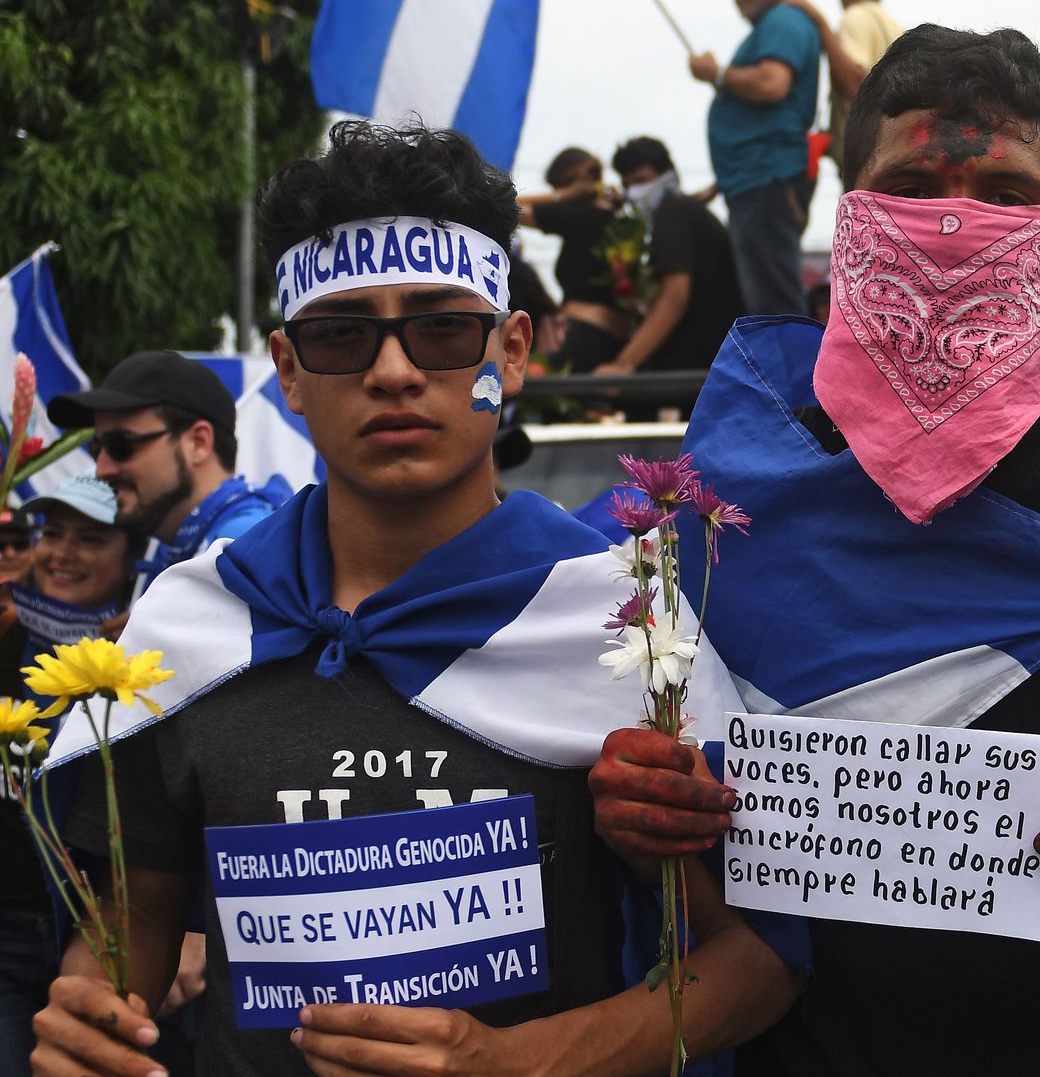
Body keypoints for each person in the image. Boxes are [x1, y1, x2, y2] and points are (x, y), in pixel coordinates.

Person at [29, 121, 803, 1077]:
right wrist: (90, 1022)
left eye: (443, 328)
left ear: (512, 352)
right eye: (342, 335)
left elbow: (760, 957)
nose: (394, 371)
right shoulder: (191, 624)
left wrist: (513, 1062)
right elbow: (129, 930)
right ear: (290, 372)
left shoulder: (625, 621)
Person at [589, 25, 1040, 1075]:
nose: (955, 224)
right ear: (847, 215)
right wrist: (639, 803)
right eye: (914, 184)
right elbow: (652, 764)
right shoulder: (714, 478)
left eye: (1005, 195)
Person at [0, 473, 137, 1077]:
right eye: (52, 533)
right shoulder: (7, 636)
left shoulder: (150, 660)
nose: (62, 552)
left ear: (131, 556)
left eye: (90, 538)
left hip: (112, 938)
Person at [47, 350, 286, 611]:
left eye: (121, 445)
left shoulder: (241, 549)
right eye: (97, 447)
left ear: (198, 443)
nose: (101, 469)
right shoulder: (183, 543)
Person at [689, 0, 820, 317]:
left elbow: (771, 83)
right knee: (766, 299)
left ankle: (791, 368)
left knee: (774, 304)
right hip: (757, 179)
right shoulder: (779, 23)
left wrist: (716, 73)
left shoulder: (784, 20)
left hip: (766, 179)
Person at [592, 136, 745, 376]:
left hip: (698, 366)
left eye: (642, 180)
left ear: (667, 175)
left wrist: (624, 364)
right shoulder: (688, 212)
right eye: (628, 185)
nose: (636, 192)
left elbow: (675, 296)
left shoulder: (672, 213)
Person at [517, 147, 634, 372]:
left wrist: (563, 196)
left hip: (583, 334)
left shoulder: (580, 215)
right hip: (618, 336)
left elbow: (507, 206)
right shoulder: (619, 219)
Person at [783, 0, 903, 183]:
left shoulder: (855, 17)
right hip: (890, 154)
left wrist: (820, 22)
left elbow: (854, 85)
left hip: (867, 165)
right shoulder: (892, 24)